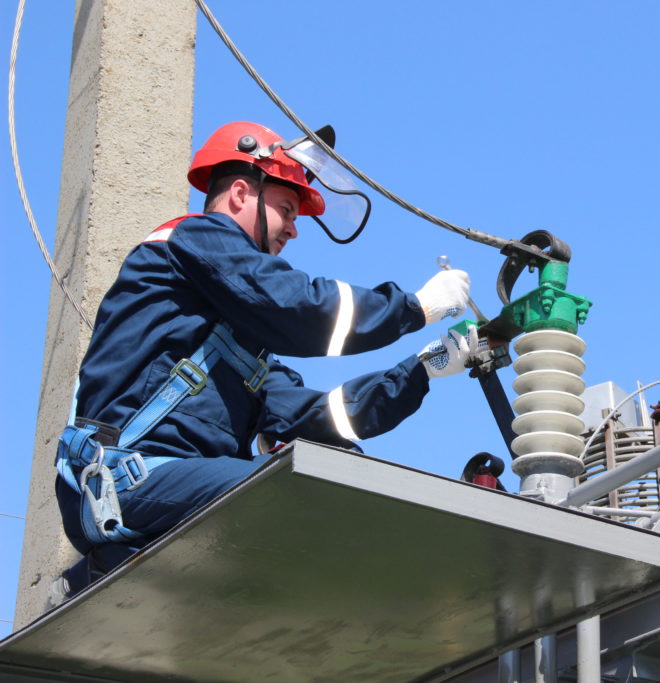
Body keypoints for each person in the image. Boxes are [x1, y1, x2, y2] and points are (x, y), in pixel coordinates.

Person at [54, 121, 478, 580]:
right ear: (239, 193)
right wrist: (417, 308)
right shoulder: (191, 239)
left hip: (173, 485)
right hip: (122, 484)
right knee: (298, 492)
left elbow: (325, 416)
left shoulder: (242, 346)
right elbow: (296, 307)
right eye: (286, 209)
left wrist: (423, 369)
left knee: (340, 473)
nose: (294, 230)